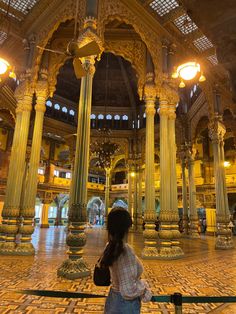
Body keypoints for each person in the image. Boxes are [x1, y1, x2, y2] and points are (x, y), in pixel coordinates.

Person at [101, 207, 152, 314]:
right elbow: (129, 290)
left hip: (113, 301)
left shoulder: (109, 246)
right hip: (125, 306)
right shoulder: (125, 251)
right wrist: (144, 285)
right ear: (126, 228)